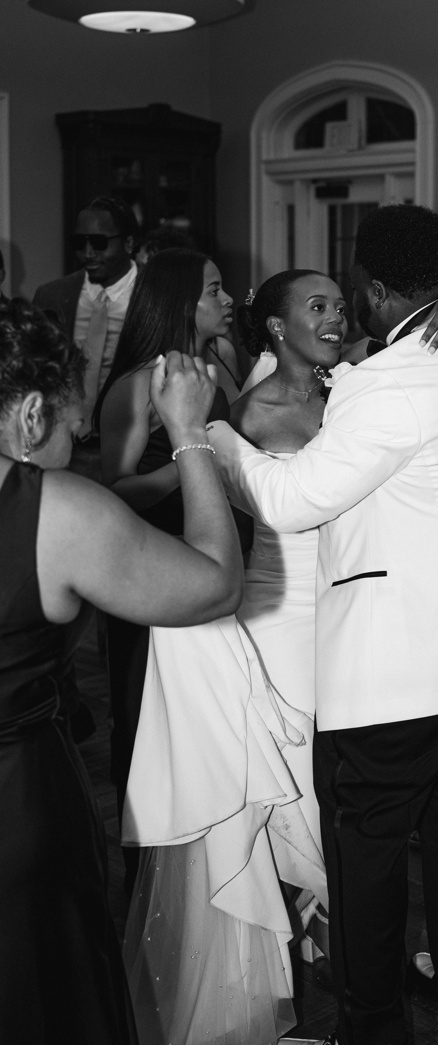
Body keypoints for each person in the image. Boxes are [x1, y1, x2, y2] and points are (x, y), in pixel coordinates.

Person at [208, 204, 438, 1045]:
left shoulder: (383, 385)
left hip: (405, 672)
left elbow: (287, 499)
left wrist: (211, 434)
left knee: (364, 852)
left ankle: (373, 1026)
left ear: (369, 287)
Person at [0, 297, 243, 1044]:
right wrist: (190, 435)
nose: (80, 435)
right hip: (17, 805)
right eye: (72, 422)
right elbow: (213, 583)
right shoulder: (53, 511)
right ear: (31, 412)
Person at [119, 269, 349, 1045]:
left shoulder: (353, 394)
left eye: (341, 302)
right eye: (318, 305)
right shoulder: (241, 416)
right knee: (290, 797)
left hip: (351, 619)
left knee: (336, 792)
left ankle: (328, 933)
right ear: (278, 328)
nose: (337, 314)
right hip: (277, 617)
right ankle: (299, 952)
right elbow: (178, 490)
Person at [89, 248, 238, 892]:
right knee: (142, 719)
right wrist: (193, 457)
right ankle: (145, 871)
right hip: (152, 569)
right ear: (181, 303)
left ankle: (212, 857)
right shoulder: (133, 385)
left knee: (212, 719)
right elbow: (113, 493)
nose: (227, 298)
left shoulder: (223, 363)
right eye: (213, 289)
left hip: (222, 559)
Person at [33, 196, 141, 439]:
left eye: (99, 242)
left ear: (129, 242)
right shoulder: (51, 296)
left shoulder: (157, 294)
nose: (88, 253)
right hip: (63, 438)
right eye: (79, 243)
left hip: (134, 436)